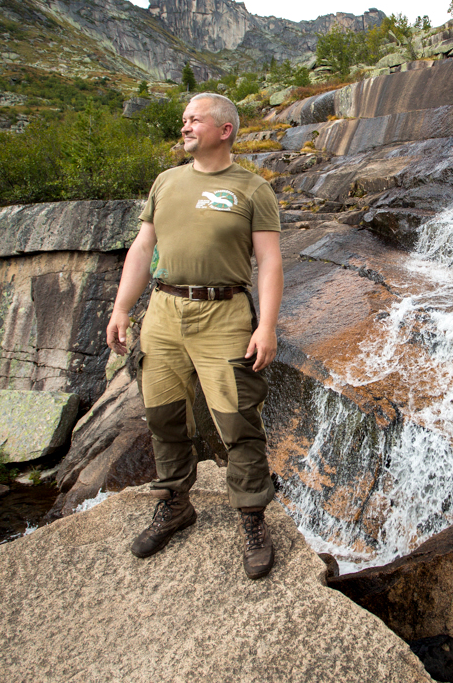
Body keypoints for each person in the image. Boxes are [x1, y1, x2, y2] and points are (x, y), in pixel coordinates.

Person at [105, 91, 283, 579]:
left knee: (237, 422)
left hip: (223, 314)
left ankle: (251, 518)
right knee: (162, 415)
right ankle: (176, 504)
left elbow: (269, 261)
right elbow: (143, 249)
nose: (184, 127)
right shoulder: (165, 183)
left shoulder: (252, 190)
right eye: (184, 120)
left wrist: (265, 325)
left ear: (224, 129)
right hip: (162, 313)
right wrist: (123, 308)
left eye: (194, 120)